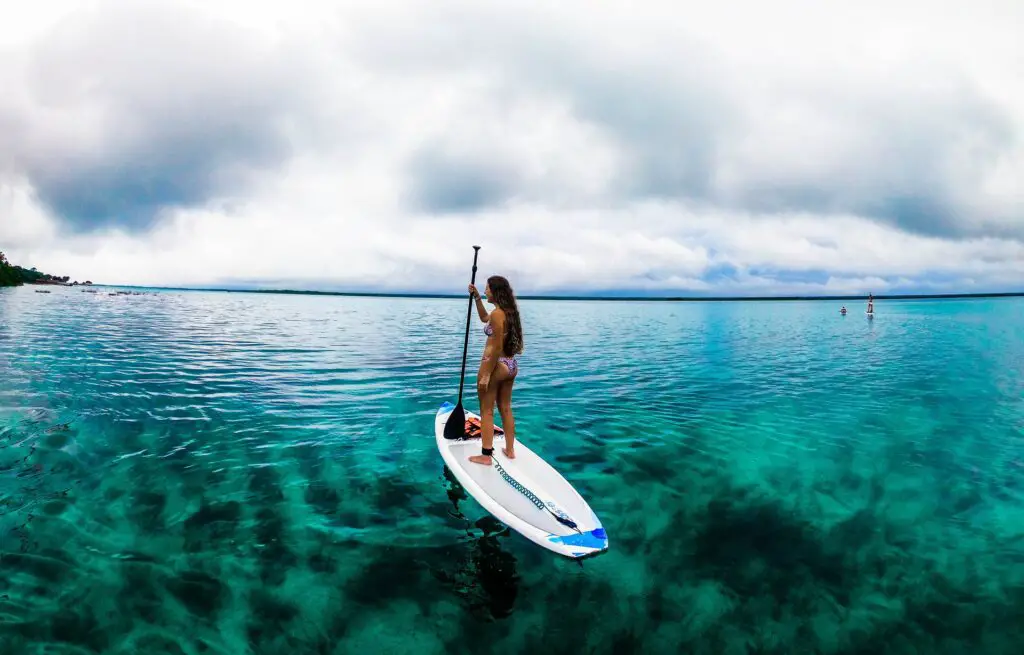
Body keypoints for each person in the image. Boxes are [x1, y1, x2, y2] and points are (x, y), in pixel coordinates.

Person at [466, 275, 524, 466]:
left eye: (487, 289)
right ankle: (510, 449)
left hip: (494, 364)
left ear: (496, 291)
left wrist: (487, 374)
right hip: (510, 365)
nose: (485, 291)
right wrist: (476, 298)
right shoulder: (507, 312)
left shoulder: (499, 315)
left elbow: (497, 345)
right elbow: (484, 318)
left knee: (486, 410)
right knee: (506, 408)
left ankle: (485, 455)